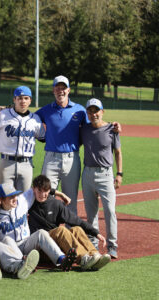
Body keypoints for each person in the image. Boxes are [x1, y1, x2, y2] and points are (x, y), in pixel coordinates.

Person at [35, 76, 120, 215]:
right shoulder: (45, 110)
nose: (60, 91)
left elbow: (94, 125)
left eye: (63, 88)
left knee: (71, 200)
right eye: (57, 88)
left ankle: (71, 233)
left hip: (71, 159)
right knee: (46, 196)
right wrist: (8, 109)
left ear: (68, 90)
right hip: (51, 159)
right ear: (53, 90)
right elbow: (26, 118)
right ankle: (49, 232)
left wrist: (112, 125)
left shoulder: (79, 110)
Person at [28, 175, 111, 271]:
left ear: (49, 190)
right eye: (39, 191)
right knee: (61, 230)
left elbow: (76, 220)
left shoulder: (56, 204)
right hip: (41, 249)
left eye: (45, 191)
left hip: (56, 247)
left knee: (77, 229)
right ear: (33, 189)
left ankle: (95, 256)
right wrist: (61, 194)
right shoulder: (28, 202)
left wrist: (96, 233)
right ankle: (82, 258)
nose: (42, 194)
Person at [0, 183, 77, 271]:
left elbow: (40, 188)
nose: (15, 198)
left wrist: (61, 194)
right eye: (10, 197)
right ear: (1, 199)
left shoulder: (22, 201)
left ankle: (62, 260)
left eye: (15, 195)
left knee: (41, 233)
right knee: (7, 240)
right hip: (10, 249)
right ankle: (22, 264)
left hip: (26, 244)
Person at [81, 98, 122, 259]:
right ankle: (93, 244)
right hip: (88, 174)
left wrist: (120, 174)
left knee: (110, 211)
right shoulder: (83, 129)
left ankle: (112, 246)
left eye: (96, 110)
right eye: (90, 111)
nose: (93, 114)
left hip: (106, 174)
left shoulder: (112, 129)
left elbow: (118, 152)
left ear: (102, 112)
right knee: (91, 213)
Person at [0, 86, 45, 191]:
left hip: (27, 164)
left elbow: (42, 137)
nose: (22, 101)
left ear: (30, 100)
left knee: (24, 201)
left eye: (26, 98)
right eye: (19, 98)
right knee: (4, 198)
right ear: (14, 99)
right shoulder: (3, 114)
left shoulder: (35, 119)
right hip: (6, 163)